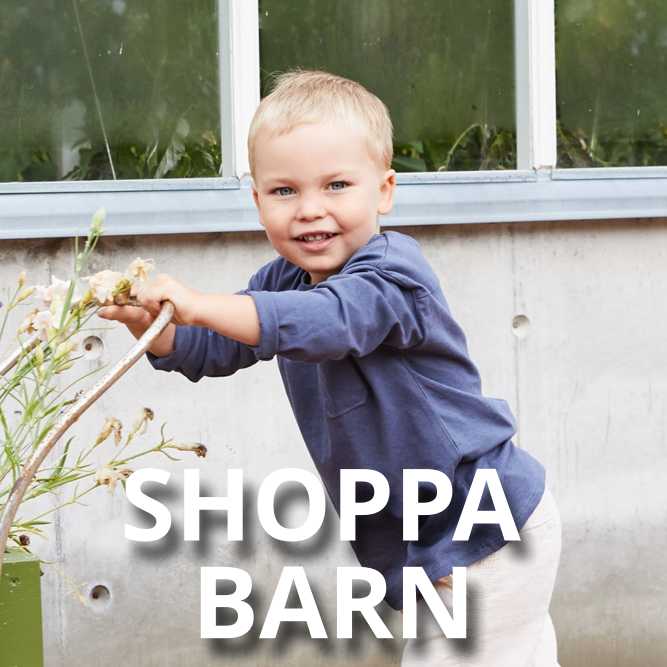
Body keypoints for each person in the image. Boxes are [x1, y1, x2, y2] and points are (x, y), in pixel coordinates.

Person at [98, 69, 562, 665]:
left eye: (337, 185)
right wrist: (156, 329)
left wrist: (200, 303)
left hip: (483, 532)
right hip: (439, 540)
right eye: (284, 191)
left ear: (384, 191)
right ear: (257, 201)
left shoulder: (393, 274)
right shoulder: (284, 280)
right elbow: (217, 345)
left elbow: (328, 320)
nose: (310, 210)